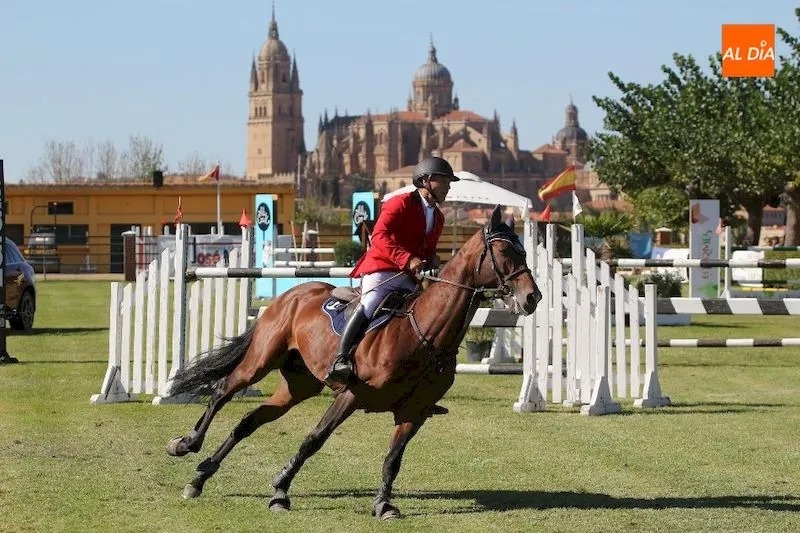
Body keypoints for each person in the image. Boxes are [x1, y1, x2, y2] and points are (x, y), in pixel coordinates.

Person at [324, 156, 460, 392]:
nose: (448, 187)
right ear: (425, 180)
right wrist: (407, 259)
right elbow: (379, 237)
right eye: (445, 181)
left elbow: (426, 249)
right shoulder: (399, 203)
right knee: (369, 304)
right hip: (382, 270)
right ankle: (341, 359)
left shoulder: (438, 217)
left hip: (408, 278)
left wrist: (432, 258)